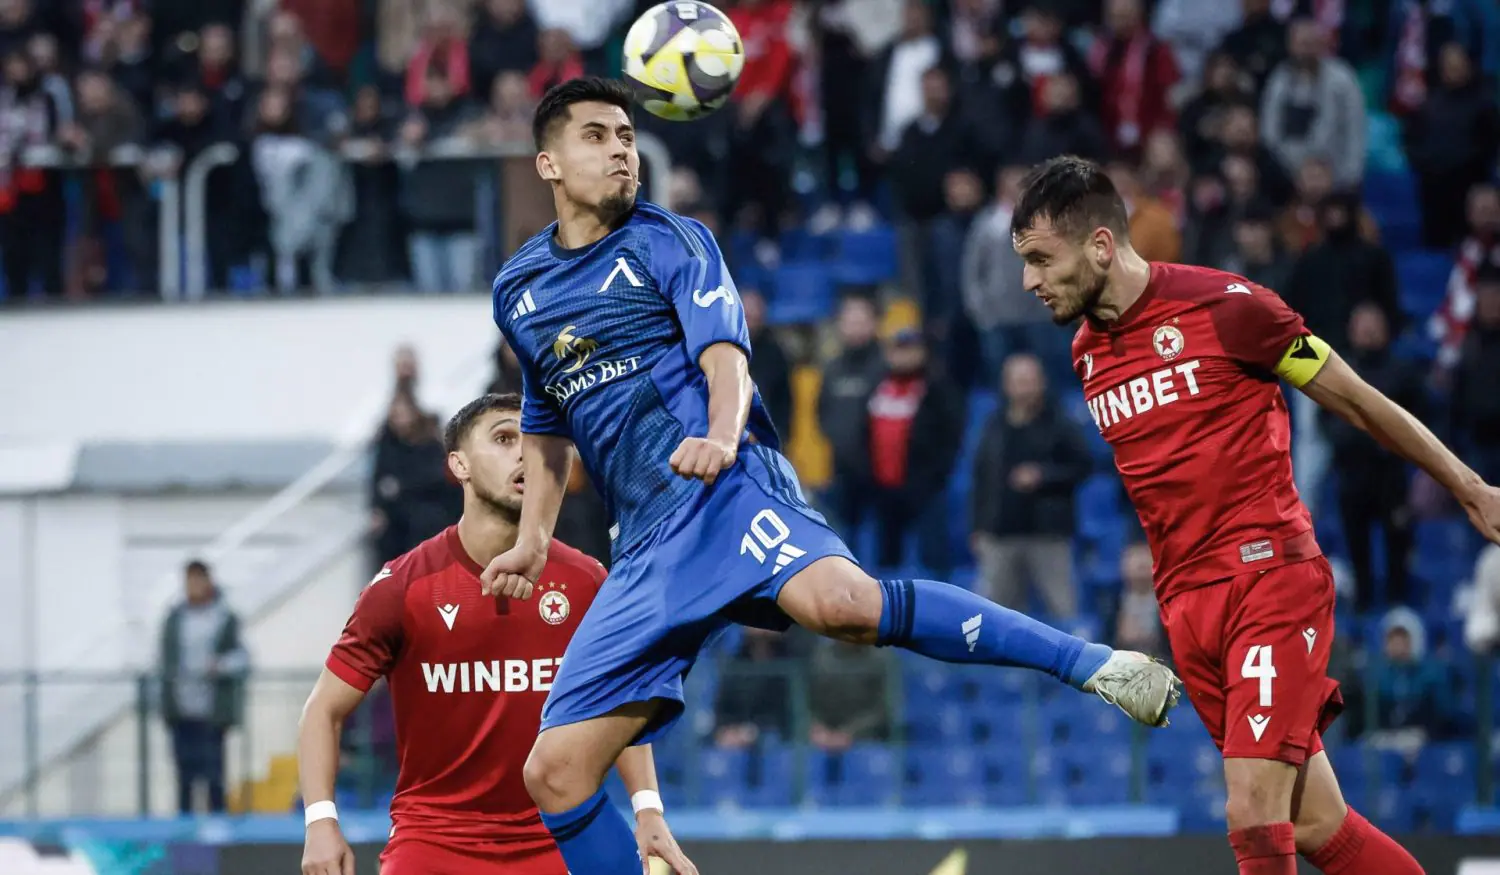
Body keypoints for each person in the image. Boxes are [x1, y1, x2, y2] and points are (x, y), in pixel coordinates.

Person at [486, 78, 1182, 875]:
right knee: (554, 770)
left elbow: (725, 355)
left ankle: (1091, 664)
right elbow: (546, 420)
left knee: (845, 606)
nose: (620, 150)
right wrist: (533, 539)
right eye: (596, 136)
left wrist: (720, 436)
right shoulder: (519, 290)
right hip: (643, 541)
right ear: (547, 162)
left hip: (725, 489)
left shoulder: (672, 241)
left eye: (626, 136)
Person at [1011, 155, 1500, 875]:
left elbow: (1360, 400)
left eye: (1040, 259)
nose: (1029, 281)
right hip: (1187, 608)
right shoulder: (1086, 353)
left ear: (1102, 245)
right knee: (1317, 823)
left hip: (1267, 581)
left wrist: (1471, 486)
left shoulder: (1231, 308)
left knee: (1252, 813)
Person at [297, 393, 694, 875]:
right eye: (504, 439)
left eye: (534, 441)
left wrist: (648, 808)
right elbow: (322, 709)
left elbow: (618, 704)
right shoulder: (403, 586)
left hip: (555, 841)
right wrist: (320, 821)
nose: (524, 452)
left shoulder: (586, 581)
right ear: (458, 465)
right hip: (433, 843)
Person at [159, 560, 249, 815]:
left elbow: (243, 658)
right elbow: (163, 660)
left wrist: (219, 665)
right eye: (189, 581)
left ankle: (219, 828)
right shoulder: (174, 619)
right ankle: (184, 829)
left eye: (198, 580)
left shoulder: (224, 618)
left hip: (212, 712)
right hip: (182, 711)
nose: (194, 586)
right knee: (184, 778)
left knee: (214, 777)